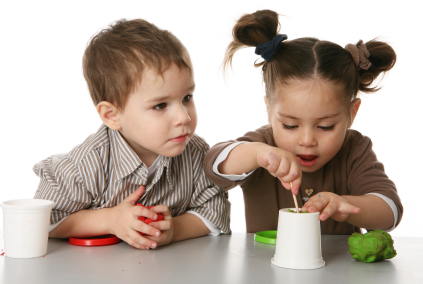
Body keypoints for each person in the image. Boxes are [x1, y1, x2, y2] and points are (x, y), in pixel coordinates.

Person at [33, 19, 230, 249]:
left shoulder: (195, 152)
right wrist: (110, 220)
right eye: (160, 105)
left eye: (187, 97)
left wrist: (176, 229)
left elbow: (216, 211)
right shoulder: (87, 163)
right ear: (112, 115)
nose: (184, 118)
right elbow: (41, 218)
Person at [203, 9, 402, 235]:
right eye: (290, 125)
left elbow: (391, 212)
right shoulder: (264, 145)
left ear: (351, 113)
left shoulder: (354, 149)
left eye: (325, 127)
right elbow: (213, 168)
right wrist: (257, 155)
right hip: (263, 270)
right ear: (269, 109)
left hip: (337, 270)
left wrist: (344, 205)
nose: (307, 141)